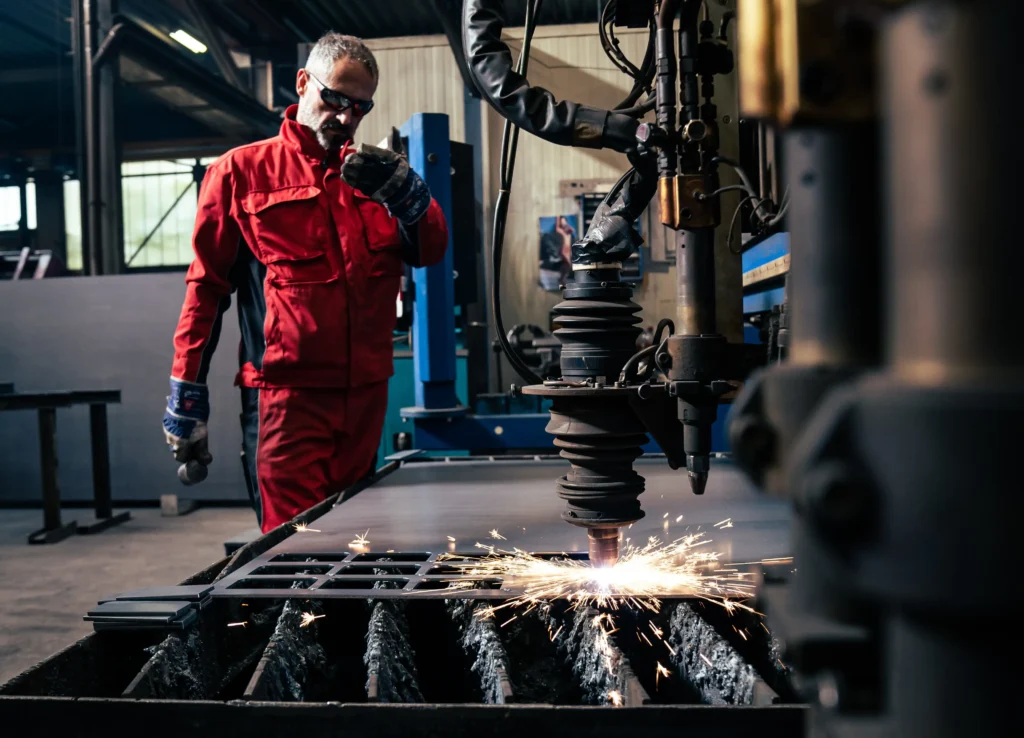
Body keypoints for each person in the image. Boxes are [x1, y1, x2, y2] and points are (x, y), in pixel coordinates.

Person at [161, 33, 449, 533]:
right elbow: (206, 289)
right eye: (334, 99)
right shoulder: (241, 173)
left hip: (364, 401)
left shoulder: (373, 179)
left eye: (360, 108)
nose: (345, 117)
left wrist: (412, 198)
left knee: (356, 548)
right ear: (302, 84)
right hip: (287, 405)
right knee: (296, 556)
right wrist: (187, 389)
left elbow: (430, 252)